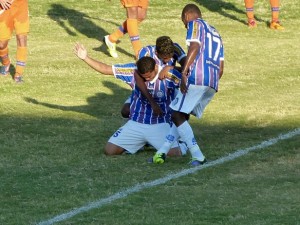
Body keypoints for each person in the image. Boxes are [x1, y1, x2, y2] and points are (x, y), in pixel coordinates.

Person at [74, 43, 186, 156]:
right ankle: (141, 143)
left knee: (176, 154)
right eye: (144, 77)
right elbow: (106, 69)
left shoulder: (168, 74)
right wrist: (85, 58)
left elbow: (188, 83)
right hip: (136, 123)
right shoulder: (133, 71)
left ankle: (182, 142)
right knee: (110, 151)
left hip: (159, 124)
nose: (146, 79)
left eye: (149, 76)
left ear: (155, 68)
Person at [151, 3, 224, 166]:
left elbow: (195, 46)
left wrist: (184, 73)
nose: (185, 26)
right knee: (182, 115)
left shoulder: (195, 24)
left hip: (197, 77)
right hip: (213, 80)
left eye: (183, 21)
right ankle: (161, 153)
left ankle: (197, 155)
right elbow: (221, 67)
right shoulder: (216, 33)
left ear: (186, 16)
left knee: (176, 114)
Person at [121, 35, 187, 118]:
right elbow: (139, 76)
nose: (168, 60)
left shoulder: (175, 48)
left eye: (171, 57)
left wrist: (171, 67)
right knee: (126, 111)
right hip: (147, 88)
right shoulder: (145, 53)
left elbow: (188, 68)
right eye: (165, 58)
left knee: (183, 112)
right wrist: (152, 102)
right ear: (156, 53)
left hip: (168, 89)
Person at [0, 0, 29, 83]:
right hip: (5, 7)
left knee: (22, 38)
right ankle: (6, 63)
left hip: (21, 7)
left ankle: (18, 74)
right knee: (1, 44)